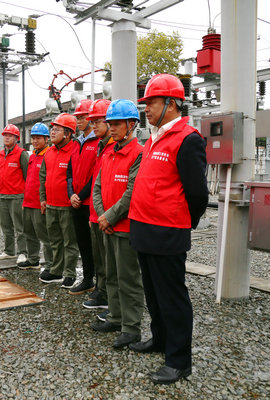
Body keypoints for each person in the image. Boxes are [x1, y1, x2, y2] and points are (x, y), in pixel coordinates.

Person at [128, 74, 208, 384]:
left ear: (172, 104)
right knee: (153, 293)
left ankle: (179, 360)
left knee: (172, 297)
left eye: (151, 102)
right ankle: (160, 339)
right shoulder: (153, 139)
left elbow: (197, 194)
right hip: (144, 228)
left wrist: (184, 222)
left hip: (167, 232)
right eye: (145, 103)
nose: (146, 108)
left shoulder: (187, 139)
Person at [91, 99, 144, 350]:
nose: (111, 128)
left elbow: (132, 192)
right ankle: (115, 316)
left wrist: (108, 217)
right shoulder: (109, 153)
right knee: (111, 275)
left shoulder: (139, 153)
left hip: (125, 228)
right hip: (108, 226)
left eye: (117, 124)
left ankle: (131, 328)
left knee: (128, 279)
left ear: (131, 124)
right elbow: (98, 187)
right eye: (110, 123)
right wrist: (104, 217)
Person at [66, 100, 103, 295]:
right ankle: (88, 278)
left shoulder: (98, 142)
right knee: (82, 243)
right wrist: (71, 194)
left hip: (90, 203)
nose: (79, 120)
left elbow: (96, 175)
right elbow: (69, 171)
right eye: (77, 117)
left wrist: (79, 196)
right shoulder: (77, 142)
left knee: (96, 247)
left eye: (82, 117)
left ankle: (101, 284)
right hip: (76, 202)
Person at [38, 113, 80, 288]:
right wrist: (43, 198)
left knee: (70, 242)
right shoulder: (49, 152)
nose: (52, 132)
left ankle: (69, 273)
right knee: (54, 240)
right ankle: (56, 271)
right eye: (52, 129)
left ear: (68, 133)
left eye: (57, 129)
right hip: (51, 205)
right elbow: (43, 177)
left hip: (67, 206)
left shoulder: (75, 151)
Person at [82, 99, 114, 316]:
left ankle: (112, 299)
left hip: (108, 215)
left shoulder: (114, 147)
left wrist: (106, 214)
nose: (93, 125)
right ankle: (101, 291)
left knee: (111, 261)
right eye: (91, 121)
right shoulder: (100, 147)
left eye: (97, 121)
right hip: (96, 213)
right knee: (100, 258)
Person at [20, 123, 53, 270]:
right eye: (33, 138)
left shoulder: (49, 155)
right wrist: (25, 200)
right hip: (28, 202)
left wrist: (45, 200)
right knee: (29, 233)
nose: (35, 141)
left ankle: (51, 265)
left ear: (46, 139)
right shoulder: (33, 156)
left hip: (40, 203)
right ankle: (33, 259)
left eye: (38, 138)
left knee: (45, 236)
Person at [0, 124, 29, 265]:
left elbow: (27, 176)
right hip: (3, 195)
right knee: (6, 226)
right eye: (5, 135)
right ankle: (9, 251)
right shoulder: (0, 155)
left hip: (17, 196)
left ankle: (23, 252)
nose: (7, 137)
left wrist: (26, 196)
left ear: (16, 138)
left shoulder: (22, 154)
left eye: (10, 135)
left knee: (20, 227)